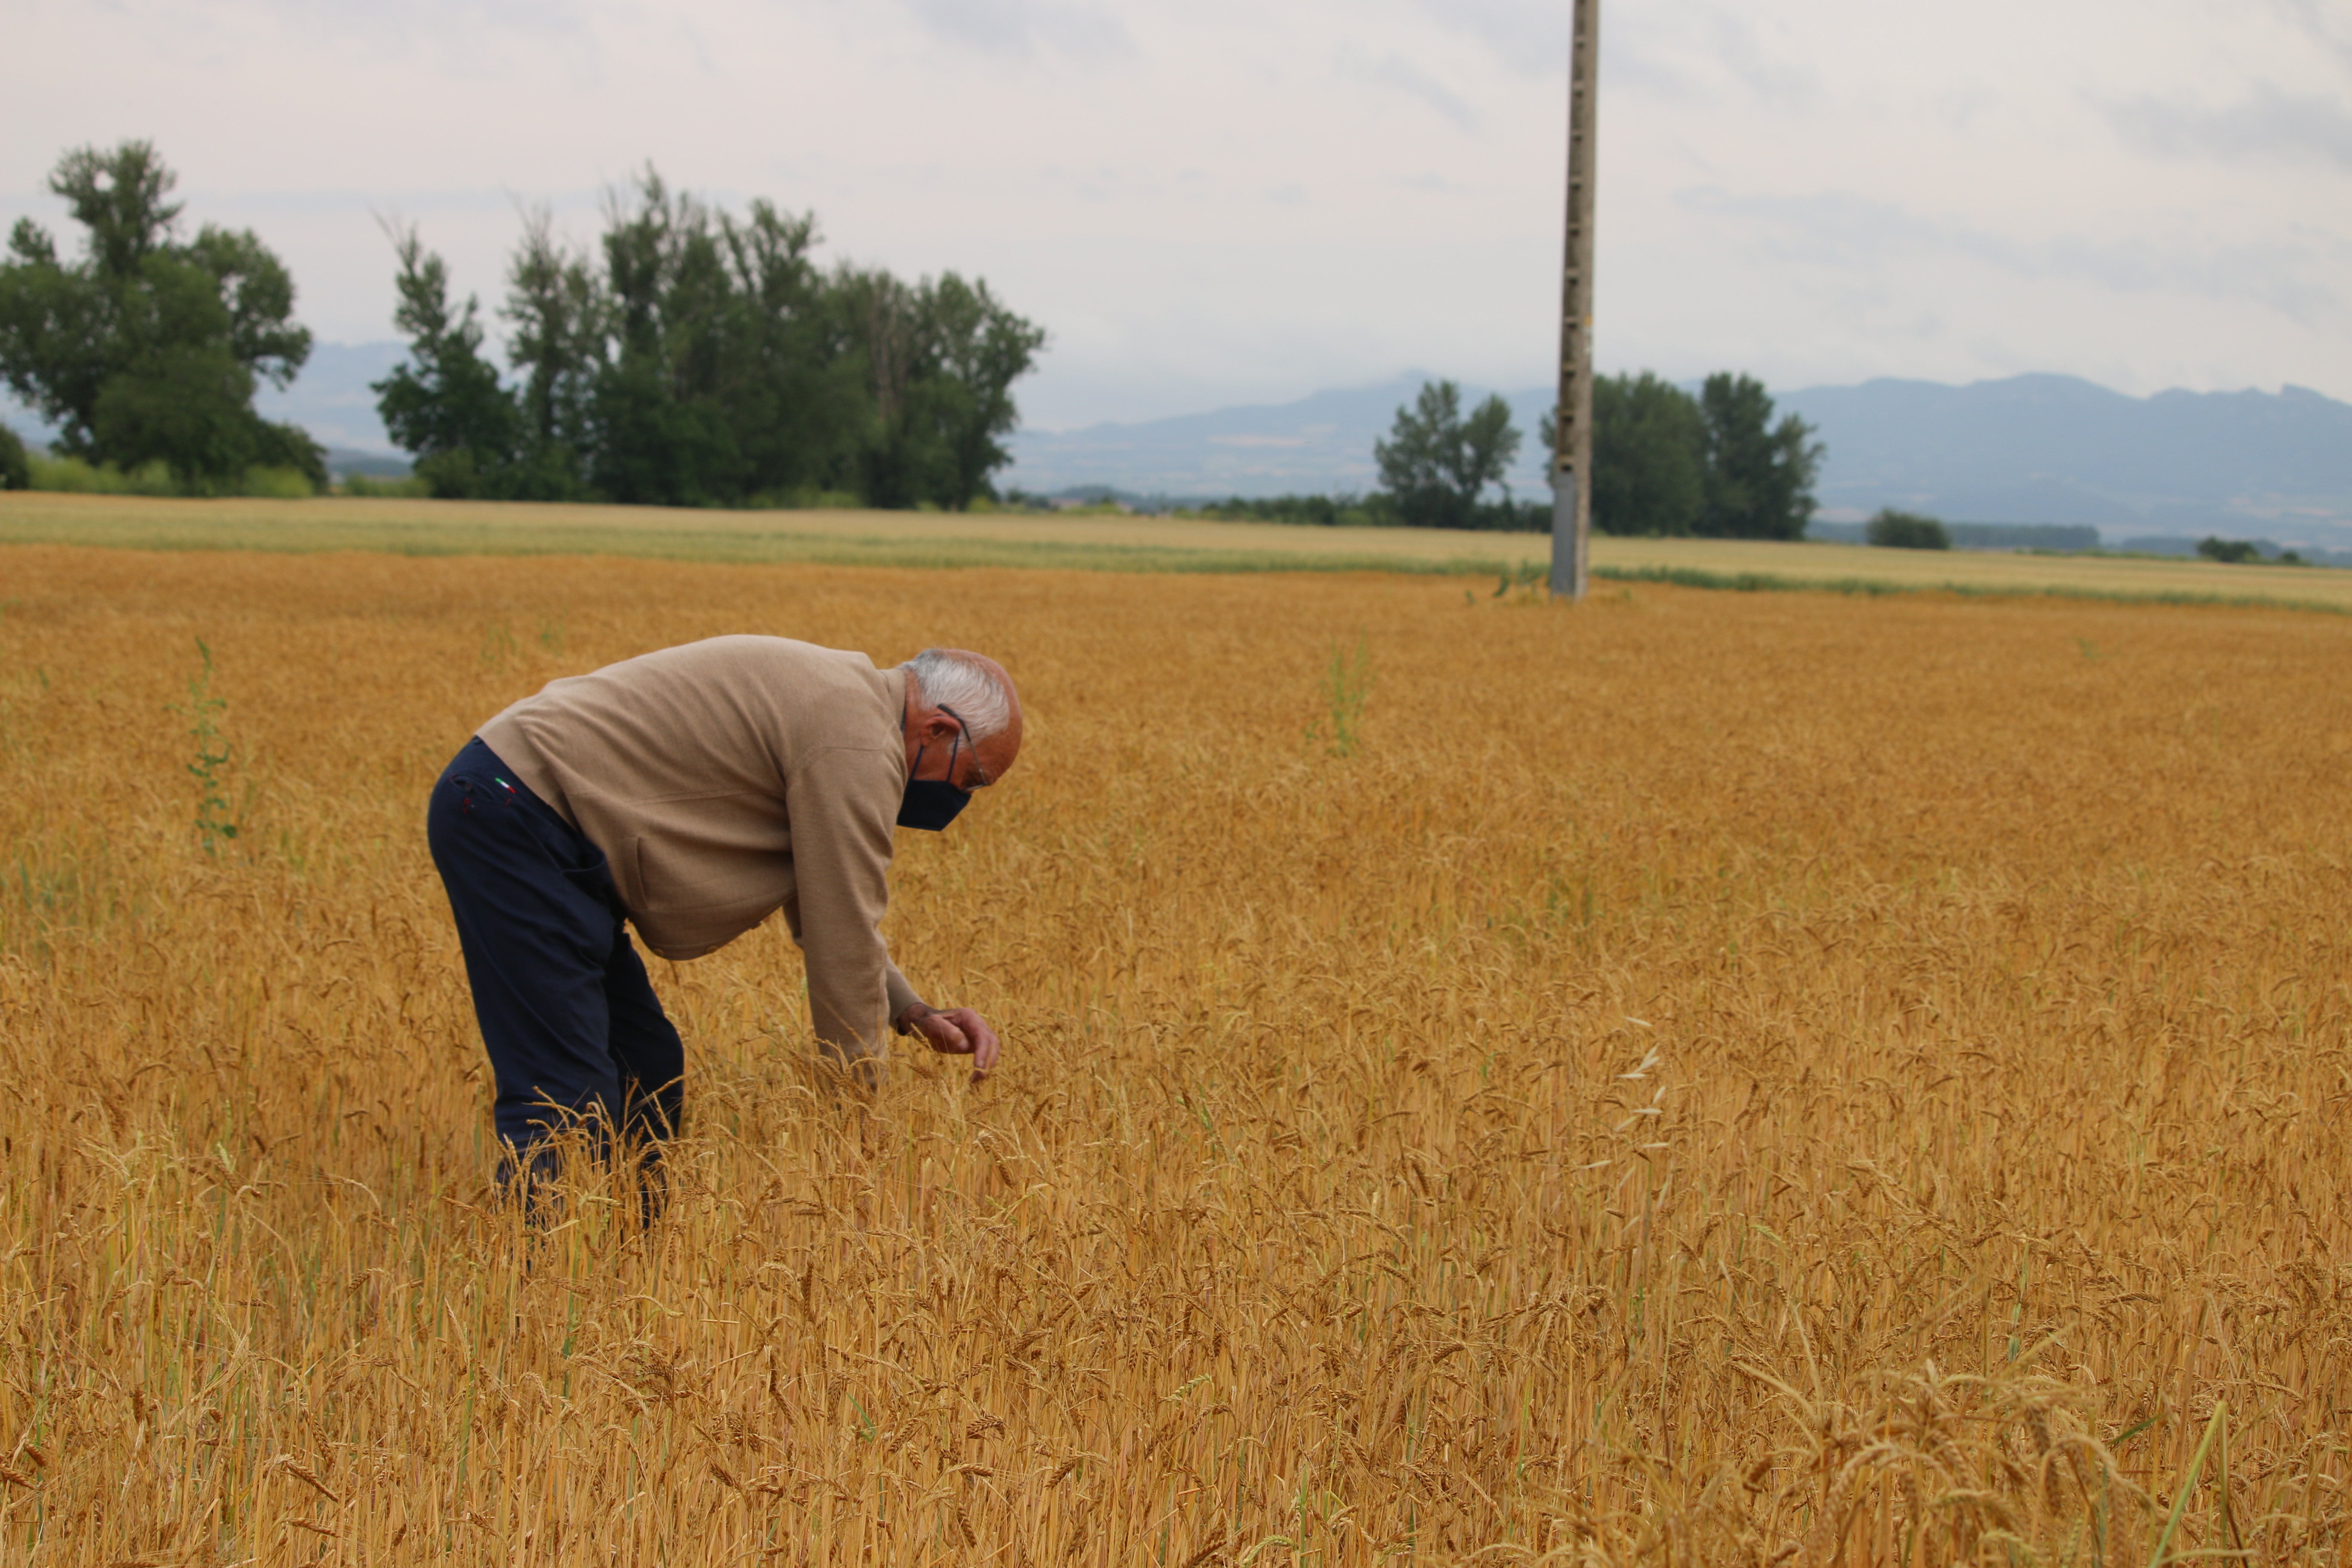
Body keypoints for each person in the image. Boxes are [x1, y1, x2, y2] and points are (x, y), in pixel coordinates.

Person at [425, 637, 1019, 1190]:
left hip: (535, 817)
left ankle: (623, 1261)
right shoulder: (857, 742)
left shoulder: (852, 710)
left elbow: (826, 909)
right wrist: (857, 1126)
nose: (959, 799)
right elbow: (842, 932)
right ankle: (540, 1281)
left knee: (646, 1067)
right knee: (563, 1092)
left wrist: (911, 1010)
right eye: (970, 779)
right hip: (515, 811)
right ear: (938, 729)